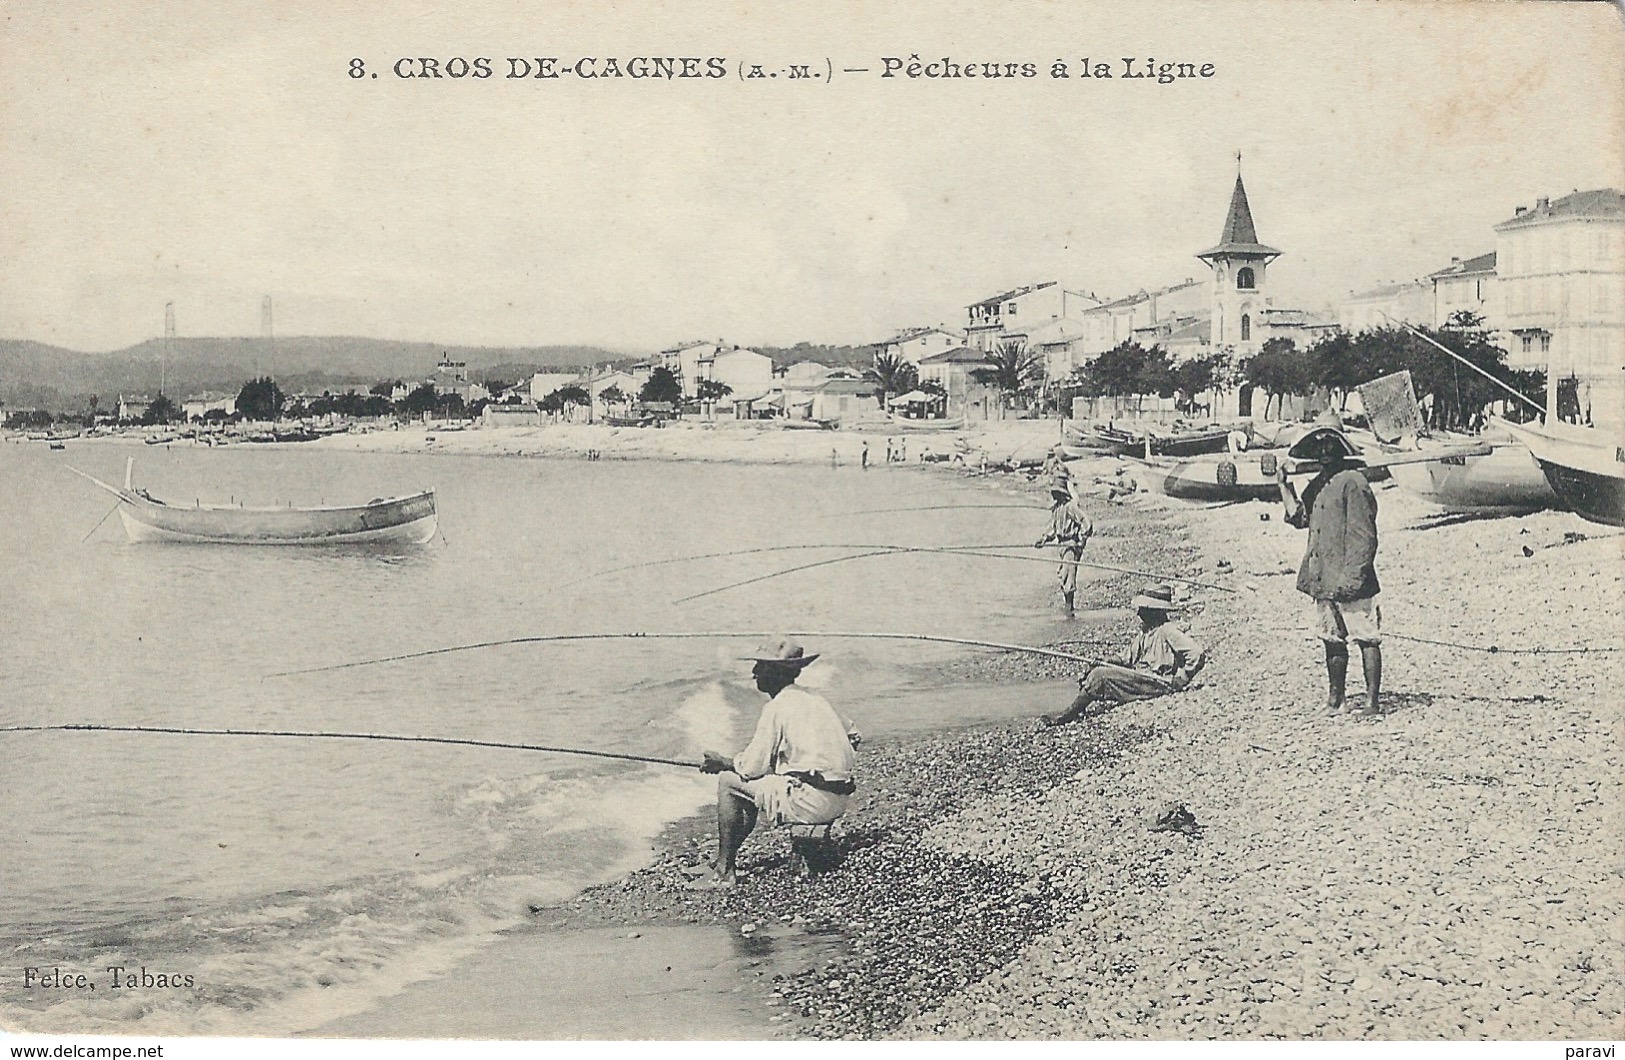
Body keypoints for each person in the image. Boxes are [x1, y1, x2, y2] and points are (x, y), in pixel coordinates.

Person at [688, 639, 861, 890]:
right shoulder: (816, 698)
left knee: (728, 782)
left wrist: (722, 762)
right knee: (751, 785)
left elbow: (750, 769)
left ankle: (724, 871)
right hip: (839, 799)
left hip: (812, 804)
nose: (754, 672)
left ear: (777, 673)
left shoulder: (777, 707)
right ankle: (722, 863)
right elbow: (854, 735)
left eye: (761, 666)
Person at [1275, 426, 1382, 715]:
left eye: (1330, 447)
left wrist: (1353, 578)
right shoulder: (1320, 483)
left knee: (1366, 637)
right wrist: (1284, 485)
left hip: (1350, 578)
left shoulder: (1353, 482)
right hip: (1323, 576)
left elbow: (1365, 538)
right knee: (1332, 640)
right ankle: (1336, 700)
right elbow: (1299, 517)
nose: (1324, 453)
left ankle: (1372, 703)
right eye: (1319, 448)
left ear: (1342, 450)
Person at [1042, 584, 1206, 726]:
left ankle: (1068, 715)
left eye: (1143, 609)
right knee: (1098, 668)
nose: (1139, 613)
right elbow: (1127, 658)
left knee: (1100, 676)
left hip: (1157, 682)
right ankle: (1079, 705)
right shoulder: (1147, 630)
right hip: (1141, 676)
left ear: (1155, 611)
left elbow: (1197, 653)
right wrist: (1106, 661)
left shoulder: (1167, 630)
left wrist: (1180, 679)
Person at [1034, 485, 1093, 617]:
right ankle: (1068, 605)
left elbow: (1086, 522)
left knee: (1068, 573)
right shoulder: (1056, 509)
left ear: (1061, 493)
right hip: (1061, 545)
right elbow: (1052, 529)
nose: (1054, 495)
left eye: (1056, 492)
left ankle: (1069, 606)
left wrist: (1082, 540)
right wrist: (1043, 540)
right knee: (1063, 573)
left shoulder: (1071, 507)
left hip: (1071, 544)